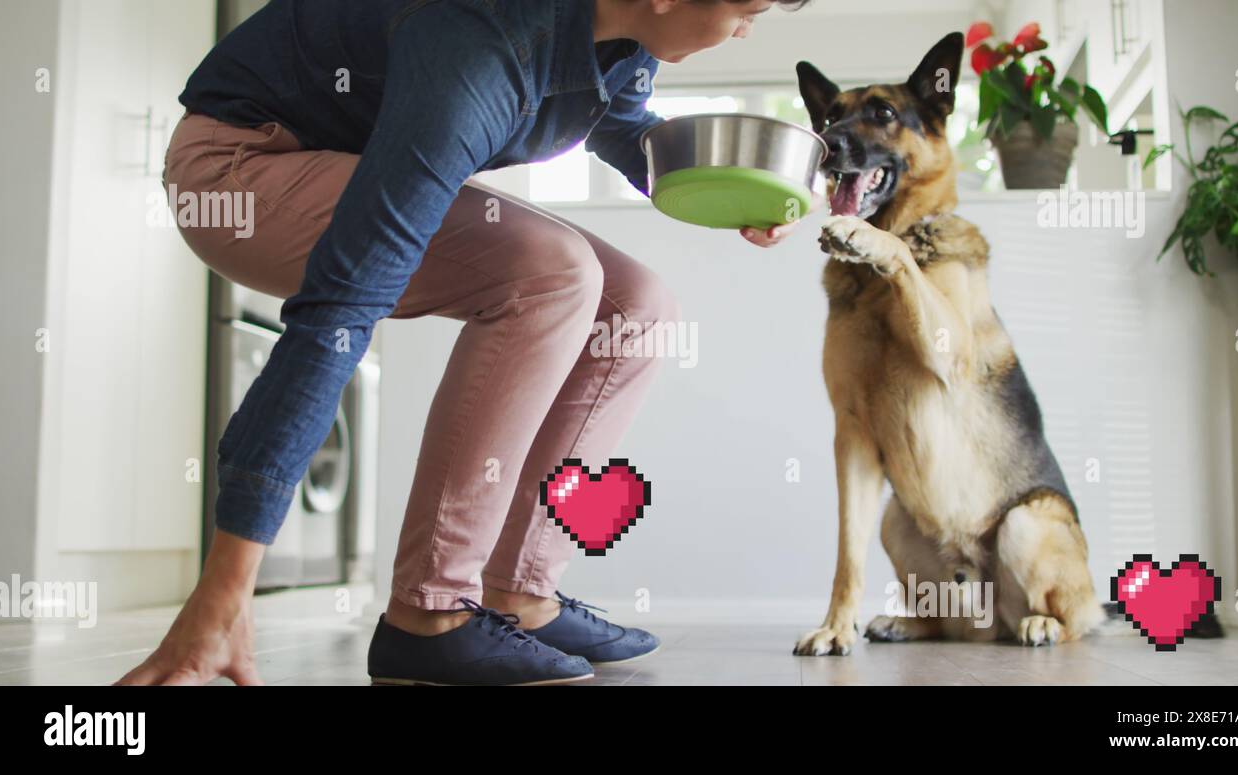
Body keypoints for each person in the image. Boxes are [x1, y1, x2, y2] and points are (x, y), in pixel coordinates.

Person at [117, 0, 813, 687]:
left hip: (336, 158)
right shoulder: (480, 42)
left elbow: (622, 124)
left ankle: (521, 593)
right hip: (239, 167)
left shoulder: (626, 45)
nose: (747, 28)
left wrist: (726, 187)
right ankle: (429, 616)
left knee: (635, 307)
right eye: (747, 8)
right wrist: (225, 589)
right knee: (555, 272)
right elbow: (339, 308)